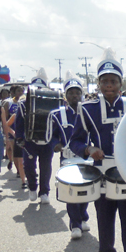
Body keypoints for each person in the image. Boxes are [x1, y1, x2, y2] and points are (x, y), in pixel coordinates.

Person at [71, 49, 126, 252]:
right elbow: (75, 141)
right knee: (104, 215)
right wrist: (89, 149)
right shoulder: (87, 108)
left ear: (120, 84)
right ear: (99, 84)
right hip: (102, 171)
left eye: (113, 81)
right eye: (104, 81)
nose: (109, 85)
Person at [50, 74, 90, 240]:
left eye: (77, 93)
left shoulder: (88, 112)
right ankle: (75, 224)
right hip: (67, 158)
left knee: (86, 189)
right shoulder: (57, 114)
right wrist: (56, 145)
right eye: (71, 93)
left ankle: (83, 216)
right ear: (65, 96)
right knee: (71, 191)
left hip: (85, 158)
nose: (75, 96)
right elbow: (52, 136)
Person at [16, 71, 56, 204]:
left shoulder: (52, 104)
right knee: (28, 166)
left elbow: (56, 124)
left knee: (45, 167)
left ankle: (44, 192)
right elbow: (19, 123)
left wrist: (57, 140)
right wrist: (19, 138)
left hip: (46, 141)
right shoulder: (23, 104)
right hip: (30, 140)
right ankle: (32, 187)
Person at [5, 86, 27, 189]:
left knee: (27, 161)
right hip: (18, 139)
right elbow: (7, 125)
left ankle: (27, 176)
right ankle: (23, 181)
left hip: (29, 140)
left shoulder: (30, 115)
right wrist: (13, 133)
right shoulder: (15, 114)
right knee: (20, 160)